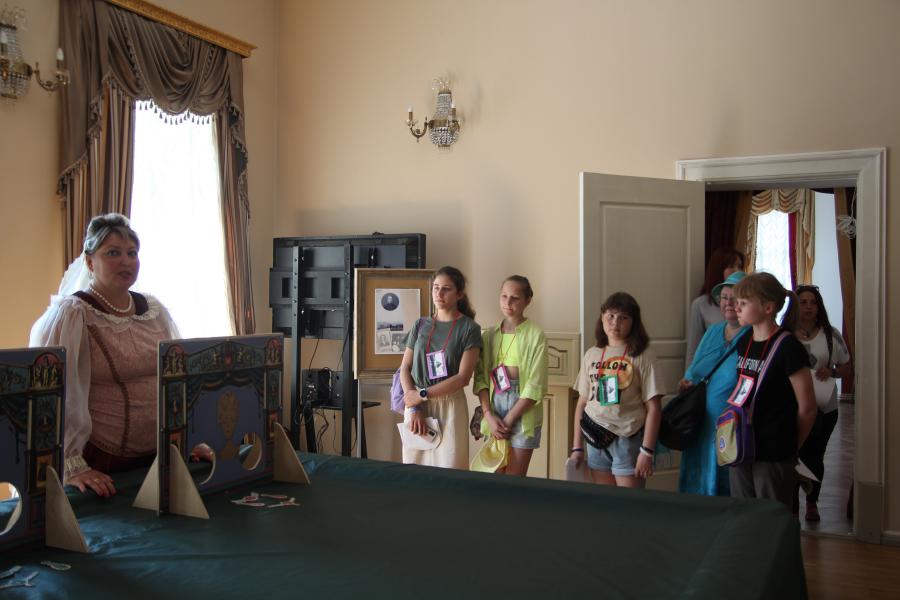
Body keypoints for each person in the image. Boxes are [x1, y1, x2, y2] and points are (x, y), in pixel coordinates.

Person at [30, 213, 179, 497]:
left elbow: (175, 379)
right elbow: (52, 397)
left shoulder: (154, 311)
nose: (126, 261)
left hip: (157, 456)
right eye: (113, 253)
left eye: (132, 253)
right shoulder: (73, 314)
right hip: (101, 462)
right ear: (89, 262)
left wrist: (186, 440)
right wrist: (71, 465)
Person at [729, 272, 817, 507]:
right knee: (743, 513)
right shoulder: (745, 342)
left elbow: (808, 408)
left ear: (768, 308)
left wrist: (790, 448)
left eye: (744, 303)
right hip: (742, 444)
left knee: (770, 515)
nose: (736, 307)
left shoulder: (789, 347)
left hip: (773, 450)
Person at [569, 292, 664, 488]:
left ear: (633, 322)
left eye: (624, 317)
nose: (615, 323)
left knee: (629, 503)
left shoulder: (643, 356)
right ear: (602, 318)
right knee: (605, 502)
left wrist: (647, 451)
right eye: (610, 316)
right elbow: (582, 403)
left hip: (627, 439)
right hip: (595, 437)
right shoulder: (592, 354)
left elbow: (654, 407)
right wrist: (577, 447)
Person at [399, 266, 482, 469]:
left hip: (450, 406)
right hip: (416, 405)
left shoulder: (469, 328)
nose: (439, 293)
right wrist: (415, 405)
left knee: (450, 470)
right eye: (436, 288)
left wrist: (422, 395)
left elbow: (463, 378)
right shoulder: (420, 324)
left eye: (446, 289)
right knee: (414, 470)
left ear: (459, 294)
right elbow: (405, 368)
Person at [677, 271, 750, 496]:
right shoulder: (713, 331)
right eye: (724, 298)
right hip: (701, 421)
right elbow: (695, 369)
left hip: (731, 426)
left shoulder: (753, 335)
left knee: (726, 483)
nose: (728, 303)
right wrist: (687, 383)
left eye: (735, 298)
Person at [473, 275, 548, 476]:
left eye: (515, 298)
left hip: (523, 413)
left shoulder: (536, 335)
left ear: (527, 300)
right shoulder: (489, 335)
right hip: (494, 412)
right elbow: (480, 379)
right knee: (495, 476)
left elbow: (535, 385)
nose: (508, 302)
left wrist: (510, 419)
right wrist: (489, 415)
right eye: (504, 296)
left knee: (514, 479)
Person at [792, 284, 853, 521]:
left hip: (824, 409)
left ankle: (811, 502)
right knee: (791, 455)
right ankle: (791, 506)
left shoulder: (831, 335)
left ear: (819, 307)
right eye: (803, 302)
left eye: (813, 302)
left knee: (815, 456)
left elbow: (848, 367)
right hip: (792, 408)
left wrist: (833, 372)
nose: (808, 307)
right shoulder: (785, 334)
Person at [686, 248, 746, 369]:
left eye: (740, 266)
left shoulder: (747, 303)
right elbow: (694, 348)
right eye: (731, 266)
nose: (737, 270)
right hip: (712, 369)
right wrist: (689, 376)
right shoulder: (701, 304)